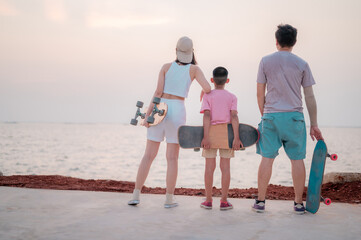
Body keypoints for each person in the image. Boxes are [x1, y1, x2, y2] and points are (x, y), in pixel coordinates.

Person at [128, 36, 211, 208]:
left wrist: (147, 115)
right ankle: (168, 199)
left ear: (176, 51)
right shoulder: (194, 69)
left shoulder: (165, 67)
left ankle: (136, 195)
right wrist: (203, 92)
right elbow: (208, 88)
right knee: (172, 158)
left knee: (148, 156)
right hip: (178, 109)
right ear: (191, 52)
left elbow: (158, 91)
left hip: (161, 108)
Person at [253, 24, 324, 214]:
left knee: (267, 158)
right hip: (294, 118)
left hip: (271, 116)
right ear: (294, 42)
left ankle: (260, 201)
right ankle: (298, 203)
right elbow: (309, 96)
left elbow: (260, 93)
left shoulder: (265, 61)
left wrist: (264, 114)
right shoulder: (302, 64)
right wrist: (314, 124)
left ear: (276, 41)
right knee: (297, 160)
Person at [199, 66, 242, 210]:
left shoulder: (207, 96)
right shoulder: (232, 97)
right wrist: (236, 138)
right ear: (227, 80)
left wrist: (205, 137)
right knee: (225, 168)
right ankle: (224, 201)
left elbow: (206, 115)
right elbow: (234, 116)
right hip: (226, 134)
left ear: (212, 80)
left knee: (209, 168)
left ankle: (208, 200)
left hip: (210, 134)